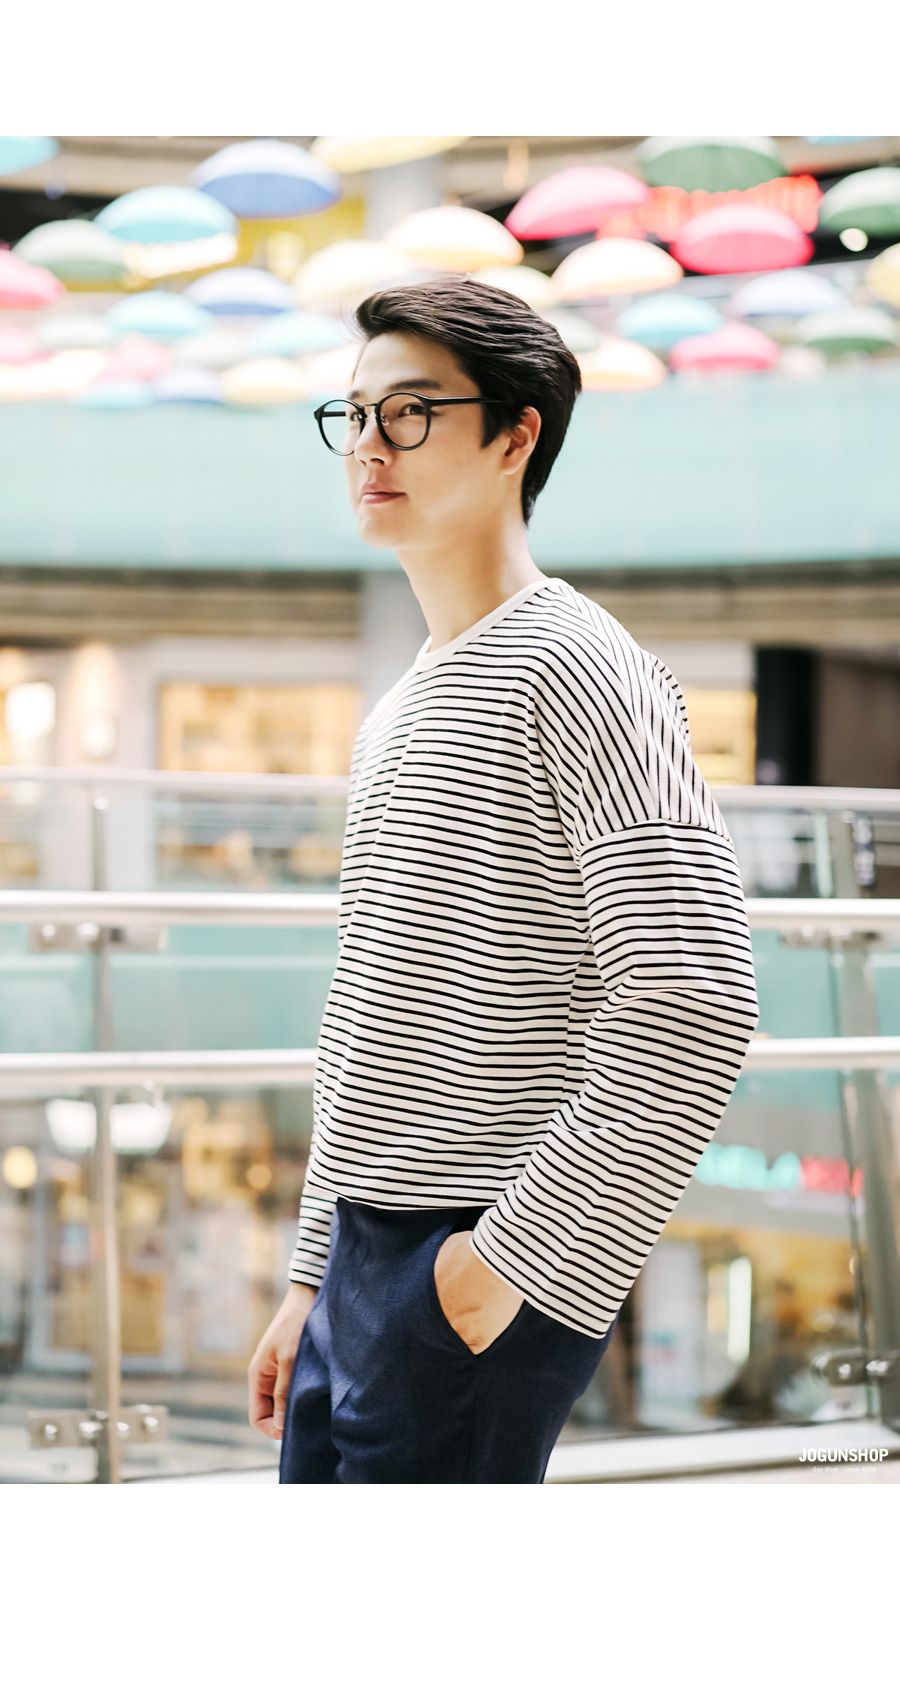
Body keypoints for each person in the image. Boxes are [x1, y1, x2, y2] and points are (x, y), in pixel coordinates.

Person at [248, 276, 759, 1483]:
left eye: (412, 411)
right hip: (369, 1254)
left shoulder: (579, 667)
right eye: (355, 414)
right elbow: (369, 1015)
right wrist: (314, 1273)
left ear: (516, 435)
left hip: (474, 1251)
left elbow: (695, 995)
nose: (369, 445)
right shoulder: (401, 704)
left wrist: (504, 1267)